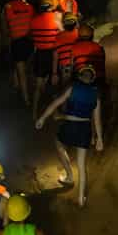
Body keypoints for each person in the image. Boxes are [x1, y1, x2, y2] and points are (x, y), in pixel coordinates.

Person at [35, 64, 103, 207]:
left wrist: (42, 118)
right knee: (82, 165)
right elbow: (97, 120)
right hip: (85, 129)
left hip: (70, 126)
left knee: (59, 144)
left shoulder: (73, 88)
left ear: (80, 76)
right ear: (92, 79)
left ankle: (70, 176)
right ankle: (80, 199)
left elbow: (55, 104)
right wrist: (99, 139)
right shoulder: (95, 95)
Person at [29, 0, 63, 121]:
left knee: (38, 86)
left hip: (39, 54)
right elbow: (63, 33)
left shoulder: (33, 20)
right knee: (54, 86)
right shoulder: (56, 18)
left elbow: (32, 37)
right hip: (52, 54)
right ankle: (55, 113)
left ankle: (34, 112)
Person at [1, 0, 35, 106]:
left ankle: (26, 99)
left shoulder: (7, 8)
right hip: (30, 42)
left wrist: (6, 43)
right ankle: (33, 95)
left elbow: (5, 28)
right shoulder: (29, 6)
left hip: (17, 42)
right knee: (28, 70)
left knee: (21, 72)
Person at [51, 12, 80, 88]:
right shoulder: (80, 35)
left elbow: (55, 57)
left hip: (65, 68)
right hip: (78, 66)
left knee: (65, 90)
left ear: (64, 24)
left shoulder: (58, 37)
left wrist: (54, 73)